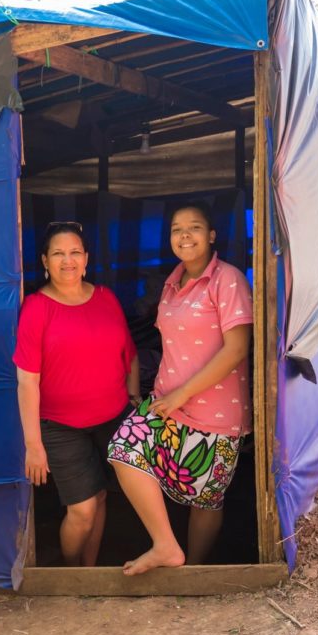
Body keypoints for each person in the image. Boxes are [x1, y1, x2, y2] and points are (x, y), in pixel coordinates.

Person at [108, 203, 253, 575]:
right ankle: (166, 546)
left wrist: (182, 394)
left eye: (194, 228)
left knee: (205, 499)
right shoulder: (172, 283)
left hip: (217, 410)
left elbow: (236, 349)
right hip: (166, 403)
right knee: (124, 447)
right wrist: (166, 395)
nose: (184, 236)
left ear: (211, 235)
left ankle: (195, 573)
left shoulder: (228, 279)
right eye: (176, 229)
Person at [14, 221, 139, 567]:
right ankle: (69, 573)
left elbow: (130, 353)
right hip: (60, 425)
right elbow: (27, 381)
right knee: (82, 508)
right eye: (58, 253)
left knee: (100, 498)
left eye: (74, 253)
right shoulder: (37, 308)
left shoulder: (106, 298)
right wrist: (33, 444)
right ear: (44, 261)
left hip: (112, 418)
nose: (67, 260)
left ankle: (90, 571)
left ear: (86, 259)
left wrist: (133, 398)